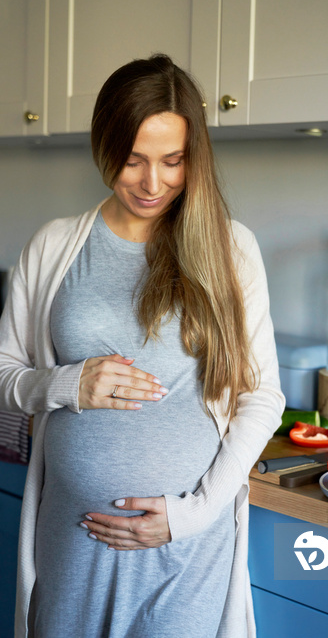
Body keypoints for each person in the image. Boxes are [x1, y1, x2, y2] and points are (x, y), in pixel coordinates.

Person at [0, 54, 285, 638]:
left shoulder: (230, 248)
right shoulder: (54, 245)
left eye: (172, 161)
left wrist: (192, 514)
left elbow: (262, 399)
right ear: (105, 146)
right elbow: (5, 374)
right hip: (70, 544)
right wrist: (64, 383)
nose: (153, 183)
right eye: (133, 160)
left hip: (184, 551)